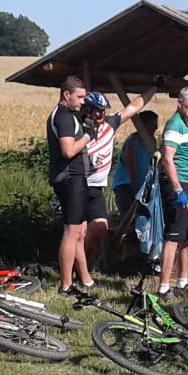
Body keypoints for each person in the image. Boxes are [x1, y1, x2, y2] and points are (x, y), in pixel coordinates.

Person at [81, 84, 157, 267]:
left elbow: (134, 106)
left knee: (102, 227)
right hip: (113, 185)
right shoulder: (81, 129)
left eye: (103, 111)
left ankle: (88, 266)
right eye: (96, 110)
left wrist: (154, 87)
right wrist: (136, 187)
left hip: (101, 187)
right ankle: (81, 263)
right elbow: (130, 164)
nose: (100, 114)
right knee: (123, 222)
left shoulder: (111, 125)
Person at [47, 75, 95, 297]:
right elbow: (68, 151)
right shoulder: (64, 117)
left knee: (80, 231)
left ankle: (85, 279)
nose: (83, 101)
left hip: (75, 177)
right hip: (69, 178)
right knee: (71, 231)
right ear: (67, 95)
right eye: (80, 97)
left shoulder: (67, 115)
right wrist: (87, 136)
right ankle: (66, 285)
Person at [157, 88, 188, 294]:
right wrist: (177, 190)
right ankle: (164, 286)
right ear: (180, 103)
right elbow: (167, 159)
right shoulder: (175, 125)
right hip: (179, 183)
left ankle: (182, 281)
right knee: (174, 235)